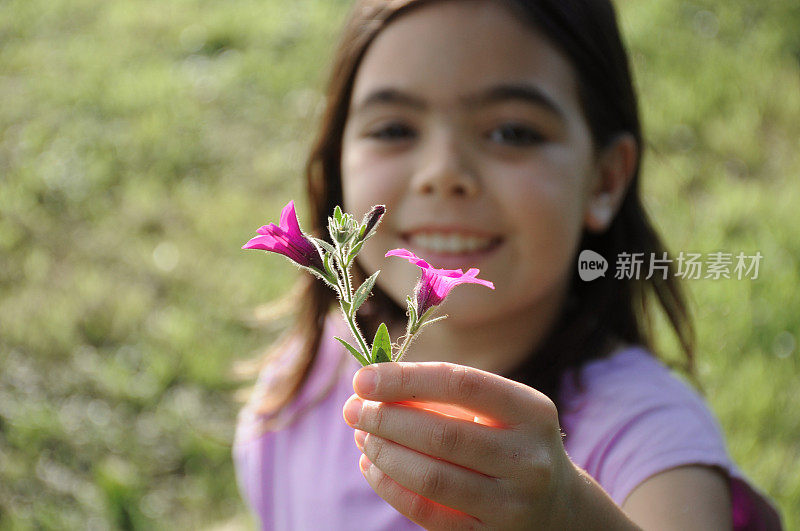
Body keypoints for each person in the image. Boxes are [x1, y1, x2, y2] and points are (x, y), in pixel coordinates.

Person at [232, 0, 782, 529]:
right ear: (336, 161)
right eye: (394, 129)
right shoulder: (301, 385)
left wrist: (568, 516)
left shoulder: (650, 438)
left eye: (511, 132)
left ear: (604, 180)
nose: (443, 172)